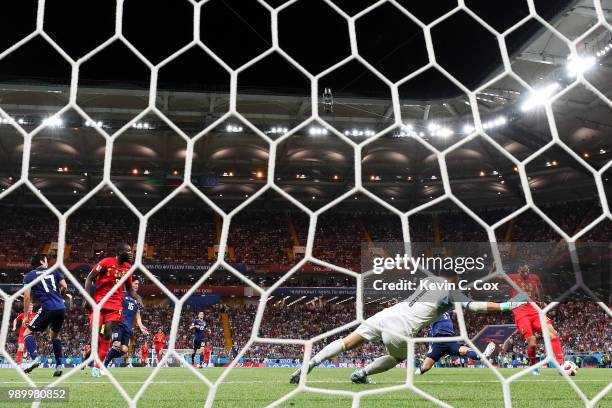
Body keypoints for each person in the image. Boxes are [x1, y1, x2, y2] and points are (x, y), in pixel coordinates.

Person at [289, 272, 526, 384]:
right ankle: (361, 374)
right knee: (396, 357)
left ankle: (310, 363)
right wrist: (507, 305)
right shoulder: (449, 290)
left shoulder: (427, 283)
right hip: (401, 327)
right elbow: (475, 307)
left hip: (386, 314)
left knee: (347, 342)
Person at [85, 243, 142, 377]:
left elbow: (128, 288)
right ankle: (91, 353)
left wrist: (137, 297)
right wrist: (88, 298)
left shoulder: (128, 268)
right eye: (128, 251)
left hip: (115, 305)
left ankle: (97, 367)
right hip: (99, 303)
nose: (131, 253)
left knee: (107, 335)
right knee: (96, 334)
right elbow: (89, 278)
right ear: (120, 252)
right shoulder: (106, 262)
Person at [508, 264, 563, 374]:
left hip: (534, 311)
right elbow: (496, 278)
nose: (525, 273)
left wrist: (542, 302)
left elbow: (540, 289)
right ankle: (533, 365)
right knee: (532, 341)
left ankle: (561, 365)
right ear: (518, 271)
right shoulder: (511, 277)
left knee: (552, 333)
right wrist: (494, 269)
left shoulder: (535, 278)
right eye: (522, 271)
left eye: (526, 271)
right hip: (521, 313)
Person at [22, 253, 68, 377]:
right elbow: (64, 286)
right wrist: (59, 296)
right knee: (55, 336)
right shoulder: (54, 271)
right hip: (61, 307)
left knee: (27, 332)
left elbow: (26, 297)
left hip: (48, 308)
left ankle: (35, 358)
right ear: (42, 262)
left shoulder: (29, 276)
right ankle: (59, 366)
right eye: (47, 261)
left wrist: (26, 316)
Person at [414, 311, 495, 375]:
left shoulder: (446, 311)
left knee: (466, 350)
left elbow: (457, 311)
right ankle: (420, 370)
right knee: (425, 367)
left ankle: (481, 355)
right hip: (439, 341)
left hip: (449, 340)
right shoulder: (433, 311)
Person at [102, 279, 148, 371]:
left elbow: (137, 315)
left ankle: (107, 358)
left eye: (138, 284)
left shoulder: (138, 298)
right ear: (130, 284)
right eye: (135, 283)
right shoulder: (122, 294)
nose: (137, 285)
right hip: (118, 324)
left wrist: (141, 326)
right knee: (117, 344)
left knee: (124, 349)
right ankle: (104, 366)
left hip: (128, 327)